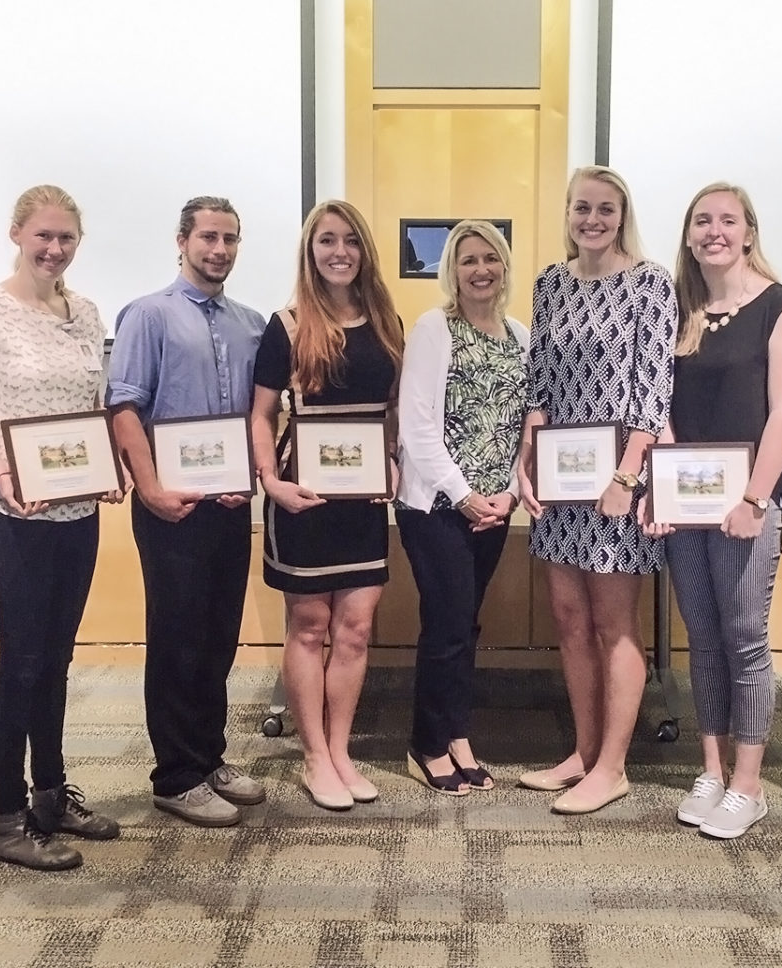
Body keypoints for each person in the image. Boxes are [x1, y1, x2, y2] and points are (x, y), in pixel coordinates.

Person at [0, 185, 123, 870]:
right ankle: (8, 816)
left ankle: (51, 794)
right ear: (16, 233)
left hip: (78, 515)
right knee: (20, 663)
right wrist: (2, 472)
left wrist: (108, 467)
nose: (54, 249)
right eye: (43, 236)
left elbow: (92, 408)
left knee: (57, 659)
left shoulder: (86, 313)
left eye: (66, 239)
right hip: (17, 516)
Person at [640, 183, 782, 839]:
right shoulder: (681, 310)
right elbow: (665, 413)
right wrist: (661, 486)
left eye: (727, 221)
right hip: (685, 502)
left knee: (744, 638)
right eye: (702, 221)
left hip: (746, 503)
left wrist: (753, 498)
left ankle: (748, 784)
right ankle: (710, 770)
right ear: (688, 235)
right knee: (702, 638)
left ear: (748, 232)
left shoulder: (780, 307)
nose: (714, 231)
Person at [516, 165, 677, 815]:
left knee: (614, 624)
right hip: (560, 479)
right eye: (582, 207)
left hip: (619, 479)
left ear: (622, 214)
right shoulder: (550, 284)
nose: (593, 219)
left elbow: (654, 390)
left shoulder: (649, 284)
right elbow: (540, 382)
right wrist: (527, 458)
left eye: (605, 209)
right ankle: (583, 755)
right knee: (570, 620)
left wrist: (626, 477)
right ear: (568, 212)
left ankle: (613, 768)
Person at [107, 197, 268, 828]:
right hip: (170, 506)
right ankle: (174, 775)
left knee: (217, 635)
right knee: (177, 638)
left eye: (230, 239)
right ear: (182, 241)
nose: (219, 249)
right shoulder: (147, 315)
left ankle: (208, 758)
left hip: (228, 503)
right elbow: (124, 407)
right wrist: (149, 489)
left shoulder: (251, 323)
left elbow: (259, 419)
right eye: (208, 237)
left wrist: (251, 476)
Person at [251, 200, 405, 811]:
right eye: (326, 242)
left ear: (364, 250)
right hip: (303, 499)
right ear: (310, 252)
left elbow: (391, 411)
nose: (338, 251)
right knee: (309, 628)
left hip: (363, 501)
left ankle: (341, 750)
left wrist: (391, 457)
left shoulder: (386, 321)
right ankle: (314, 755)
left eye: (349, 241)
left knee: (357, 630)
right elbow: (261, 415)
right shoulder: (285, 325)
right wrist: (271, 481)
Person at [395, 220, 529, 795]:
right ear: (452, 269)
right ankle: (427, 743)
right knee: (447, 626)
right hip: (438, 507)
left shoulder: (521, 334)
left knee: (465, 625)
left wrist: (511, 494)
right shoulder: (434, 327)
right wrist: (464, 494)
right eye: (468, 259)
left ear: (504, 266)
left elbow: (525, 423)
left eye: (491, 259)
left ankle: (457, 735)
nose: (481, 270)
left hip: (495, 507)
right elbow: (416, 423)